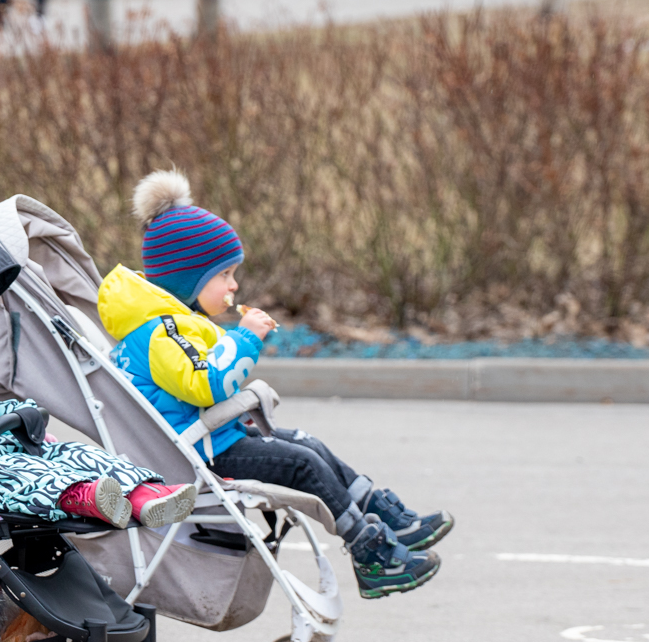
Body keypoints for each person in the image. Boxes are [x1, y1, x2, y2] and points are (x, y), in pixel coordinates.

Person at [96, 169, 454, 599]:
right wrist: (245, 337)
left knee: (309, 445)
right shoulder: (161, 332)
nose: (234, 285)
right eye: (224, 274)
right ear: (187, 278)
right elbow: (206, 384)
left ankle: (384, 514)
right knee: (302, 464)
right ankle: (371, 555)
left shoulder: (174, 325)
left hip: (213, 436)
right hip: (201, 452)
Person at [0, 336, 198, 527]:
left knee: (72, 452)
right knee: (22, 471)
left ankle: (144, 496)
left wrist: (16, 414)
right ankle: (81, 497)